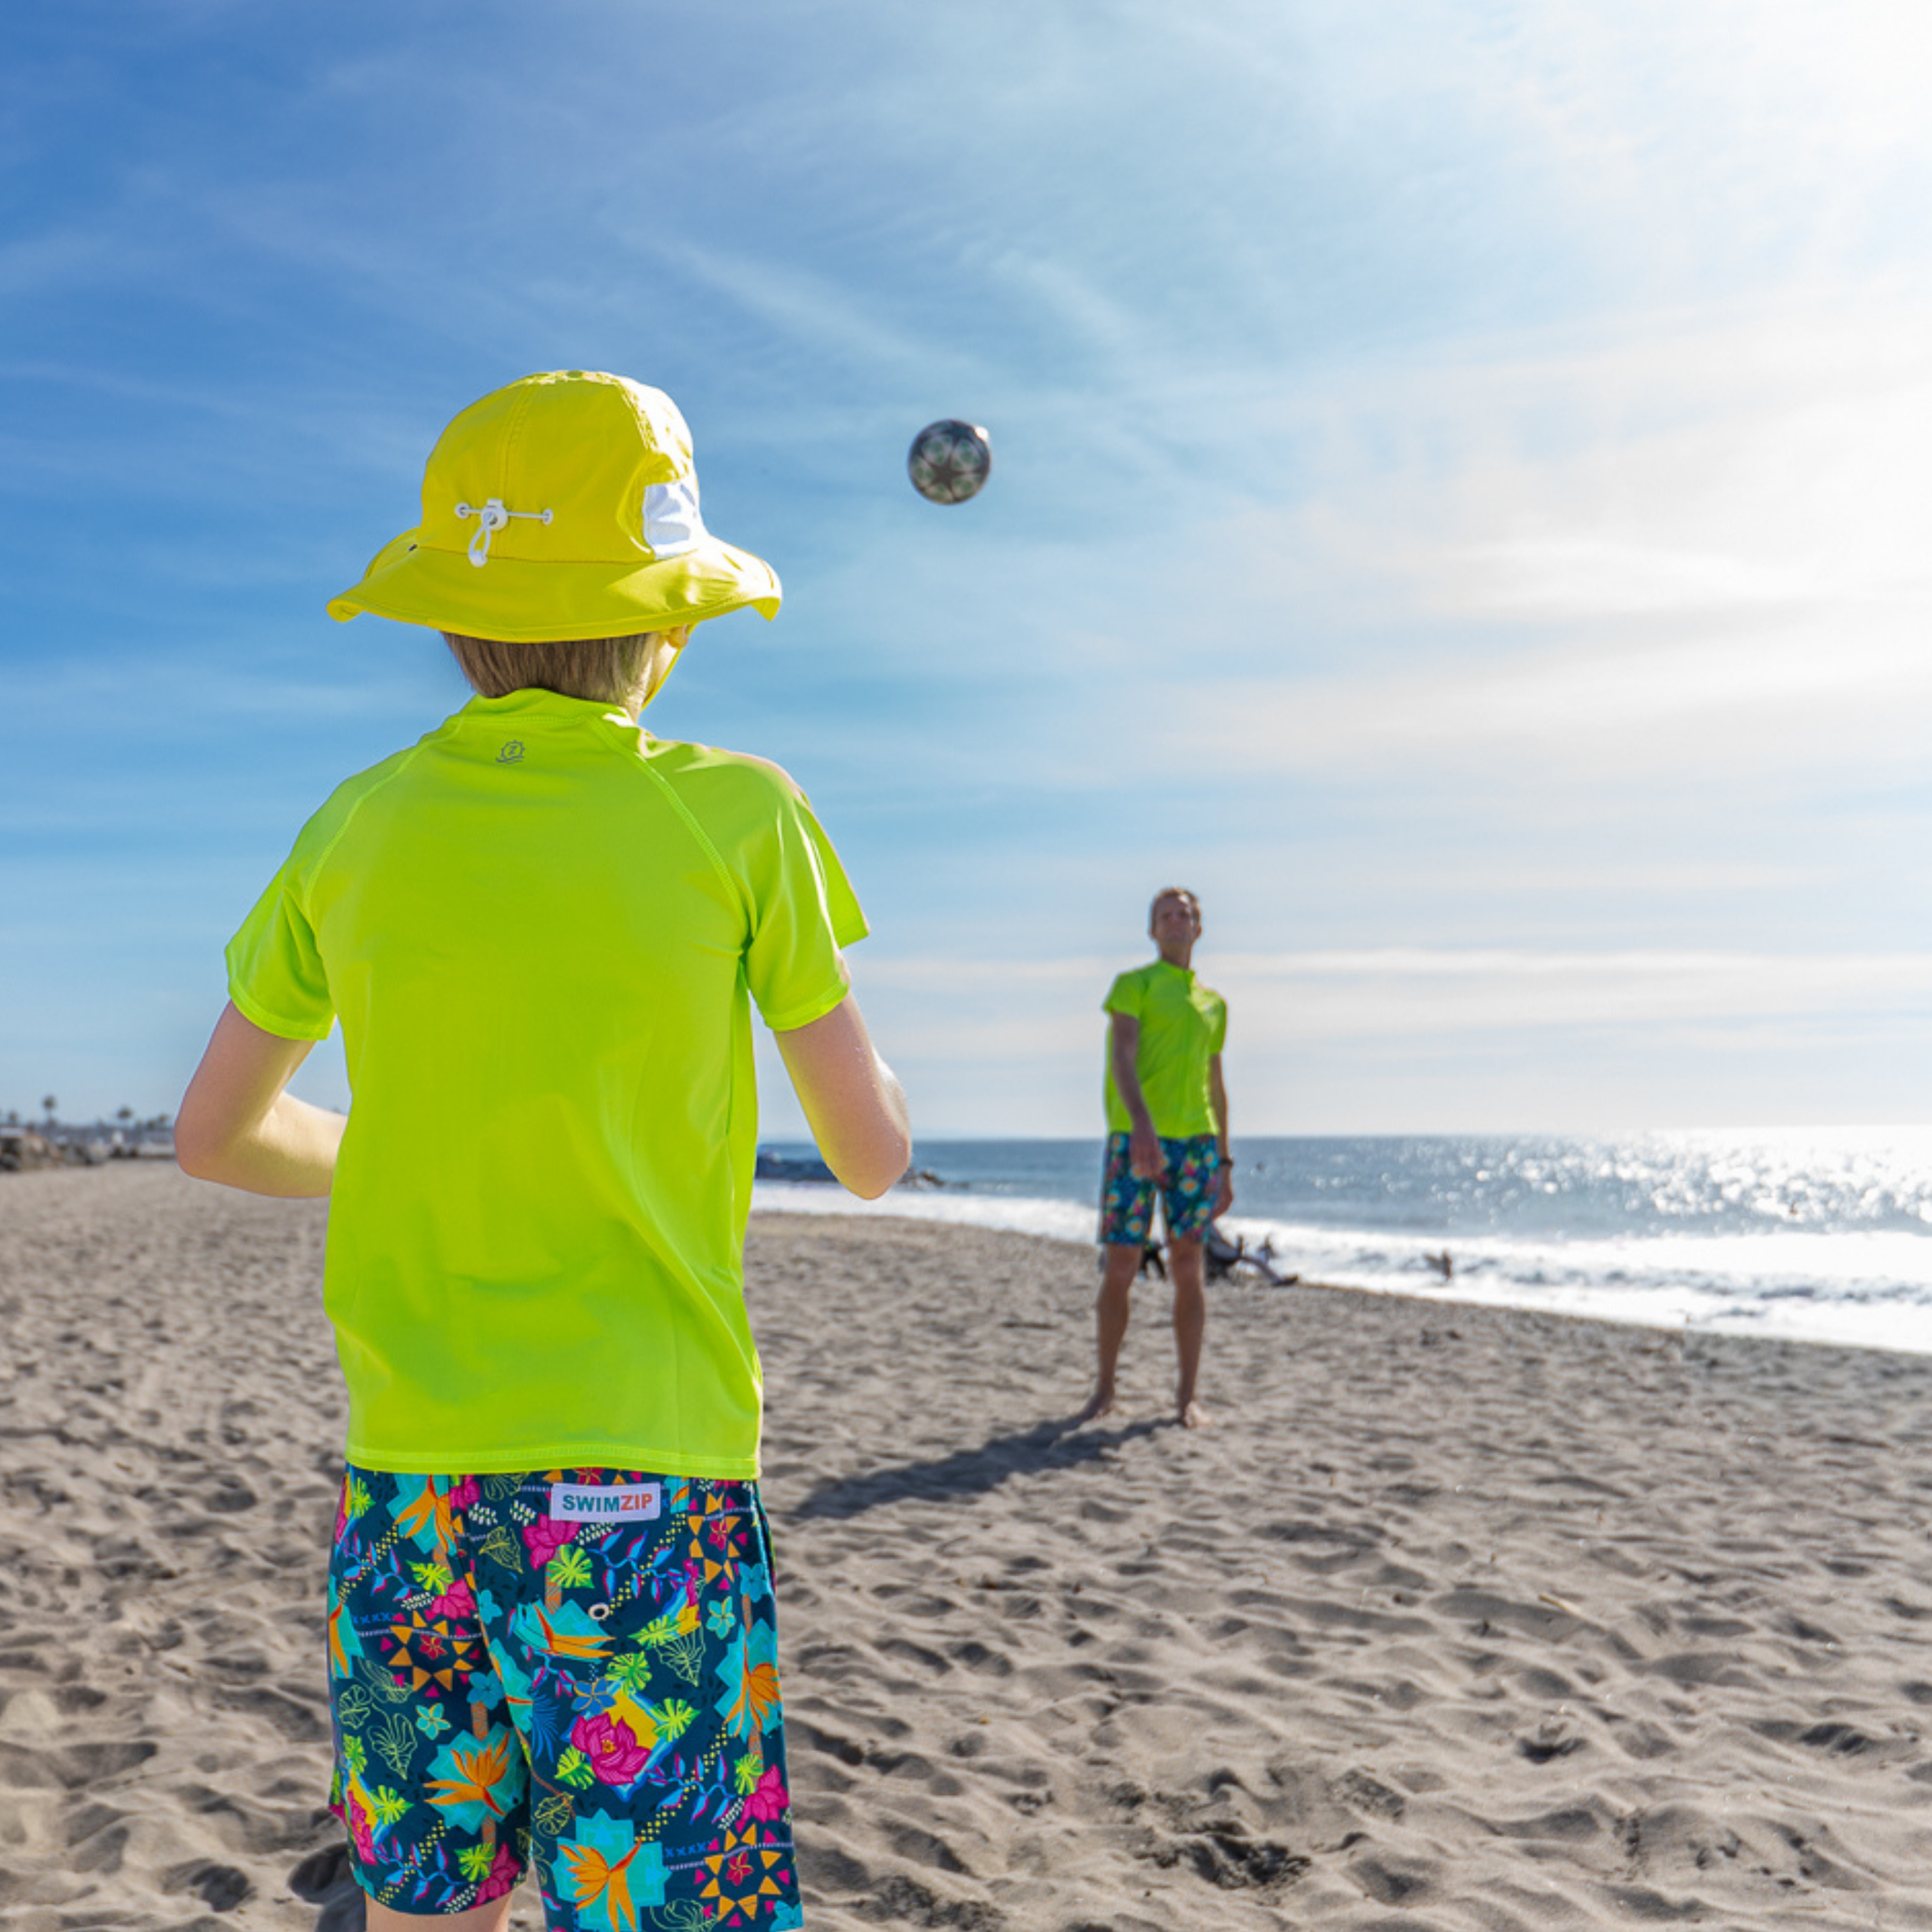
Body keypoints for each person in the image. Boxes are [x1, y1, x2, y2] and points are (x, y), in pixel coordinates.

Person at [175, 370, 910, 1932]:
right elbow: (867, 1152)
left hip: (410, 1503)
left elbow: (215, 1131)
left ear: (455, 615)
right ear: (669, 619)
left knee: (432, 1906)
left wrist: (389, 1144)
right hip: (643, 1499)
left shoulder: (357, 822)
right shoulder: (741, 815)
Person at [1079, 887, 1232, 1429]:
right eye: (1165, 914)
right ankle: (1105, 1390)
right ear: (1152, 929)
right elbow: (1123, 1055)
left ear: (1198, 928)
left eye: (1185, 913)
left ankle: (1187, 1397)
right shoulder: (1133, 986)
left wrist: (1225, 1163)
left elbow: (1216, 1084)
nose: (1176, 921)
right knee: (1121, 1265)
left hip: (1195, 1146)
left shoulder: (1213, 1004)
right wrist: (1140, 1124)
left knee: (1190, 1267)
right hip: (1134, 1137)